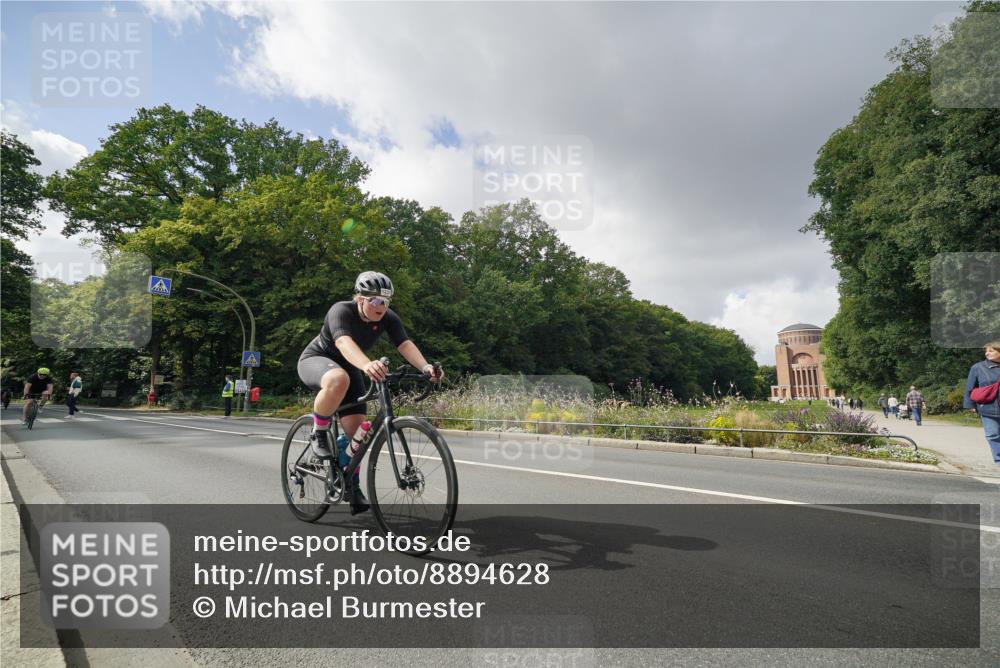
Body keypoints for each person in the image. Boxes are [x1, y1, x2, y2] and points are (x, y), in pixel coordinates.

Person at [298, 271, 443, 515]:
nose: (381, 306)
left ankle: (350, 485)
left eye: (386, 301)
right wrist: (367, 365)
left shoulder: (388, 318)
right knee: (338, 377)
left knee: (357, 437)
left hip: (352, 367)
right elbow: (343, 342)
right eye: (375, 301)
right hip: (318, 361)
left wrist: (426, 367)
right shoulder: (340, 311)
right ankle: (319, 432)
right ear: (360, 299)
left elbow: (405, 344)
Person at [964, 341, 1000, 465]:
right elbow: (970, 387)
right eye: (986, 351)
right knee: (993, 435)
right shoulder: (978, 367)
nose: (987, 353)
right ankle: (999, 460)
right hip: (988, 408)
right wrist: (970, 404)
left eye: (991, 350)